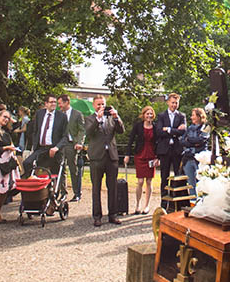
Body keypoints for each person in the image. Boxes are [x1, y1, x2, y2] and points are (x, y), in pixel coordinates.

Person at [84, 96, 124, 226]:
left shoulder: (111, 118)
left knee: (112, 187)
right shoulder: (90, 118)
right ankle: (97, 216)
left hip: (111, 156)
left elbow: (121, 130)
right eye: (98, 104)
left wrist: (117, 117)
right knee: (96, 188)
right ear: (94, 105)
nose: (101, 106)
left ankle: (113, 214)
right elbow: (89, 133)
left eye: (103, 104)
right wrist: (98, 119)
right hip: (97, 157)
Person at [0, 109, 21, 222]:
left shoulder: (5, 130)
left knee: (5, 190)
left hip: (8, 163)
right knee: (0, 190)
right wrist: (6, 148)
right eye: (4, 117)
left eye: (8, 118)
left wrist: (12, 120)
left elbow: (17, 126)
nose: (6, 120)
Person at [23, 95, 67, 178]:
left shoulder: (62, 117)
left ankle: (53, 189)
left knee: (54, 173)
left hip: (54, 149)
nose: (53, 104)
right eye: (51, 102)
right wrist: (35, 144)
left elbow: (65, 136)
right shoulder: (40, 114)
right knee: (27, 163)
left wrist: (56, 148)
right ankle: (30, 182)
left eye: (55, 102)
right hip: (40, 148)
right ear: (46, 103)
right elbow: (35, 131)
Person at [128, 106, 158, 213]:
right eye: (147, 114)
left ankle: (147, 205)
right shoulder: (138, 126)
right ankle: (137, 204)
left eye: (151, 114)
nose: (149, 116)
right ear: (143, 115)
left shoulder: (155, 127)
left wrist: (157, 157)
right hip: (140, 155)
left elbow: (158, 143)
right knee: (140, 181)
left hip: (151, 156)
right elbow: (131, 140)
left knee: (149, 181)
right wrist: (127, 154)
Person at [155, 93, 186, 189]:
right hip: (164, 150)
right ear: (168, 102)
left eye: (176, 103)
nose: (174, 105)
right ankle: (164, 202)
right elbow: (159, 131)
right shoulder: (161, 116)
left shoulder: (181, 116)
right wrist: (175, 131)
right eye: (172, 102)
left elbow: (183, 131)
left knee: (178, 176)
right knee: (164, 176)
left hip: (177, 150)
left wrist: (168, 129)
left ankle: (177, 200)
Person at [58, 95, 86, 202]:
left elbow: (82, 130)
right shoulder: (59, 115)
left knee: (73, 169)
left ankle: (77, 193)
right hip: (61, 145)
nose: (59, 105)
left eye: (60, 103)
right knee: (61, 169)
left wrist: (79, 143)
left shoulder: (77, 114)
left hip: (71, 144)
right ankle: (63, 192)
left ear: (66, 102)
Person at [179, 107, 209, 195]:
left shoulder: (206, 127)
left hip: (199, 159)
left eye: (193, 115)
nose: (191, 117)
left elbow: (201, 140)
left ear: (199, 116)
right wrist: (191, 142)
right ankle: (193, 203)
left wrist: (189, 140)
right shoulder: (189, 128)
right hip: (188, 158)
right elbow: (181, 141)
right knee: (191, 184)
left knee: (200, 183)